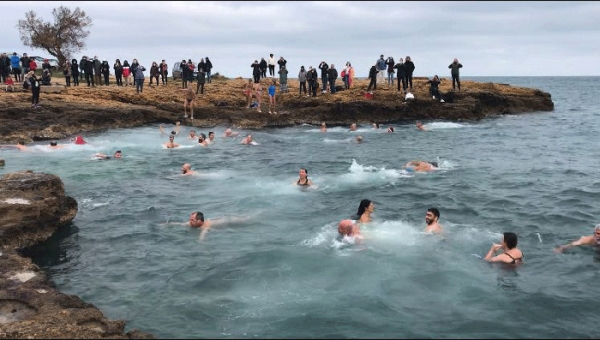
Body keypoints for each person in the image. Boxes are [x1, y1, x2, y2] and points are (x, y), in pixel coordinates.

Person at [167, 211, 249, 241]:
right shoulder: (192, 223)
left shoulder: (205, 227)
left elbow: (202, 236)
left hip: (229, 220)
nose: (189, 221)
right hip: (223, 219)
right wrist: (165, 225)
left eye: (192, 220)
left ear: (199, 221)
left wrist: (200, 243)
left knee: (246, 221)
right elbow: (179, 224)